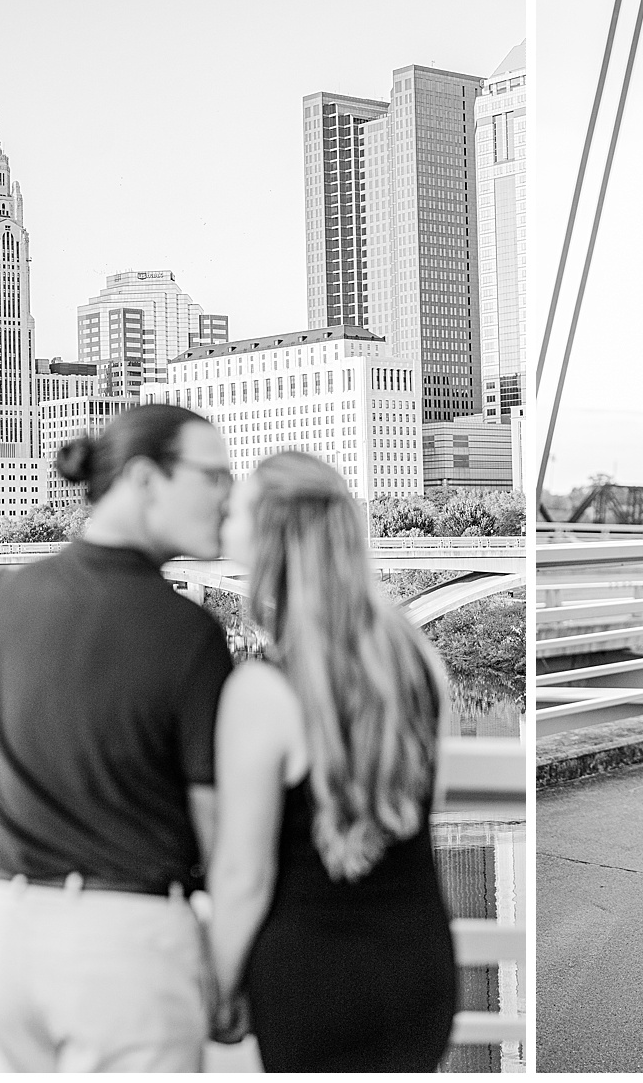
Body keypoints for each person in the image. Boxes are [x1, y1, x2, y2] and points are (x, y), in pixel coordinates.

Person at [0, 404, 235, 1071]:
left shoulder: (5, 596)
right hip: (128, 945)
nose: (226, 495)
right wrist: (230, 972)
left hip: (1, 931)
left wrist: (27, 707)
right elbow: (220, 838)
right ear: (145, 478)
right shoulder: (189, 635)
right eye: (212, 476)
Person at [205, 451, 458, 1071]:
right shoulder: (416, 660)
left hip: (308, 980)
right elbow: (430, 805)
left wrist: (218, 988)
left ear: (271, 535)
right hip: (417, 969)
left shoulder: (261, 691)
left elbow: (243, 877)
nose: (222, 513)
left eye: (236, 507)